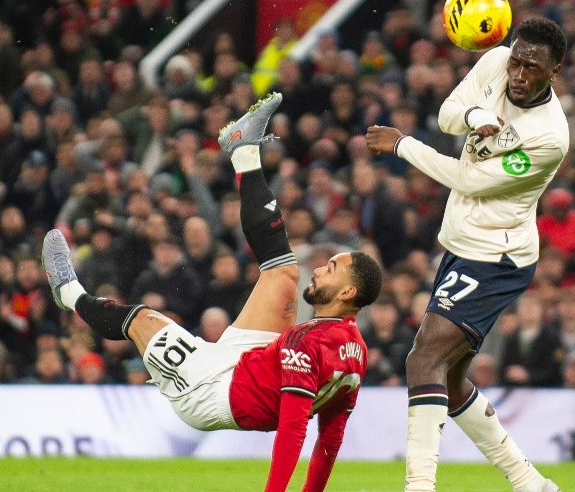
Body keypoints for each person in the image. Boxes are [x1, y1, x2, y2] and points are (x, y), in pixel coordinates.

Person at [42, 93, 382, 492]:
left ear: (348, 291)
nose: (321, 267)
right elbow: (332, 435)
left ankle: (70, 294)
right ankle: (242, 148)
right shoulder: (354, 351)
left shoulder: (307, 343)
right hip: (252, 359)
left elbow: (294, 431)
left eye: (332, 269)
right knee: (284, 273)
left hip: (212, 390)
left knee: (144, 319)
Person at [365, 17, 568, 492]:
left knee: (423, 358)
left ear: (554, 72)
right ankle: (530, 483)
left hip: (496, 257)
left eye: (532, 68)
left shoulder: (549, 137)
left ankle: (419, 485)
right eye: (517, 61)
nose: (518, 74)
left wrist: (402, 145)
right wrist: (477, 116)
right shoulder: (497, 60)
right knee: (449, 380)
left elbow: (470, 180)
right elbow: (448, 113)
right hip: (461, 244)